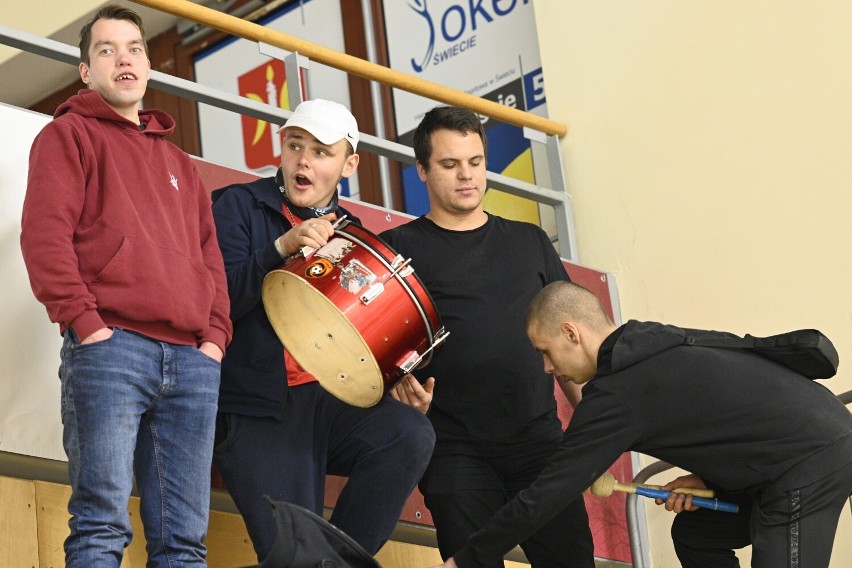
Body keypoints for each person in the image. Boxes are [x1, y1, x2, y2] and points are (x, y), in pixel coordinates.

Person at [19, 5, 232, 567]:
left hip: (192, 361)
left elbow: (209, 258)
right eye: (107, 50)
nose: (124, 59)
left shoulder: (180, 162)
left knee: (184, 543)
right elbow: (44, 237)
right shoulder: (67, 136)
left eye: (134, 47)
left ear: (147, 63)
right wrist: (86, 326)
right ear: (86, 71)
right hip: (112, 351)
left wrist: (214, 339)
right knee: (100, 526)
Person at [438, 281, 852, 568]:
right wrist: (710, 477)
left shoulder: (617, 392)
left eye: (546, 352)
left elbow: (548, 493)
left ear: (570, 332)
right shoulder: (648, 340)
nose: (547, 367)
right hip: (795, 449)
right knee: (697, 535)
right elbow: (729, 410)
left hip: (810, 461)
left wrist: (467, 558)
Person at [210, 98, 436, 561]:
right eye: (296, 145)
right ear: (281, 148)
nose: (304, 160)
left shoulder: (355, 234)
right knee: (293, 553)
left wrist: (394, 380)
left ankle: (339, 562)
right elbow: (214, 302)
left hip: (332, 404)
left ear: (349, 163)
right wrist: (278, 248)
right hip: (262, 409)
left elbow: (367, 332)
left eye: (321, 151)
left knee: (410, 432)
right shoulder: (238, 204)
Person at [379, 106, 595, 567]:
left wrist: (601, 426)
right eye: (449, 164)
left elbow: (573, 349)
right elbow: (376, 364)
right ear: (422, 170)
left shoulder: (530, 241)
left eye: (475, 162)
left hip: (538, 443)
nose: (466, 176)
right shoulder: (397, 249)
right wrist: (399, 393)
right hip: (454, 451)